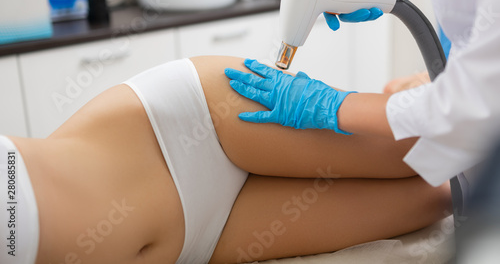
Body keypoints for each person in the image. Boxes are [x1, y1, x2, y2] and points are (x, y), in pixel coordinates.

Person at [0, 56, 450, 264]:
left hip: (184, 123)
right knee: (442, 194)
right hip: (203, 242)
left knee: (428, 149)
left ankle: (412, 91)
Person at [226, 0, 500, 188]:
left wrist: (331, 105)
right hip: (468, 102)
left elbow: (473, 104)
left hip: (476, 117)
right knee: (395, 91)